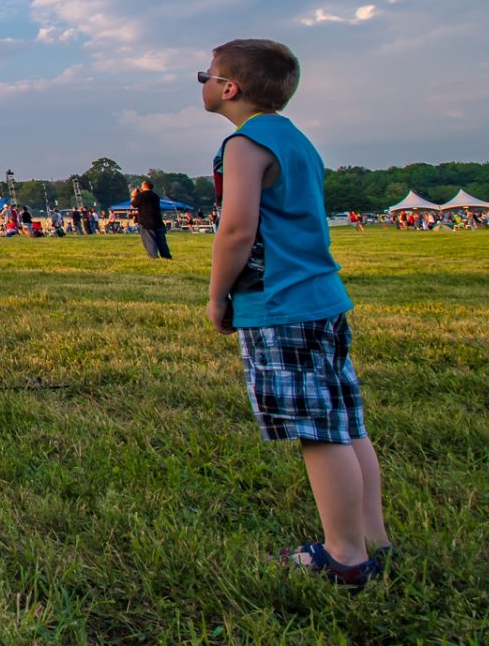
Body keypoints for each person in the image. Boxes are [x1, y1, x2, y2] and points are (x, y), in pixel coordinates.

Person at [202, 39, 388, 587]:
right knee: (346, 423)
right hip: (322, 298)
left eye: (205, 76)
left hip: (279, 304)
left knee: (317, 432)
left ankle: (345, 557)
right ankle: (373, 538)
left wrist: (218, 296)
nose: (204, 83)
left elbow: (236, 228)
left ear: (229, 88)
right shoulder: (296, 140)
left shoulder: (244, 143)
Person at [133, 180, 171, 259]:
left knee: (149, 240)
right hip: (158, 221)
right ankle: (166, 256)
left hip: (146, 222)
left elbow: (133, 205)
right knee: (161, 241)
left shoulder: (141, 196)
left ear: (144, 186)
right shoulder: (155, 196)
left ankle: (153, 256)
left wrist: (134, 196)